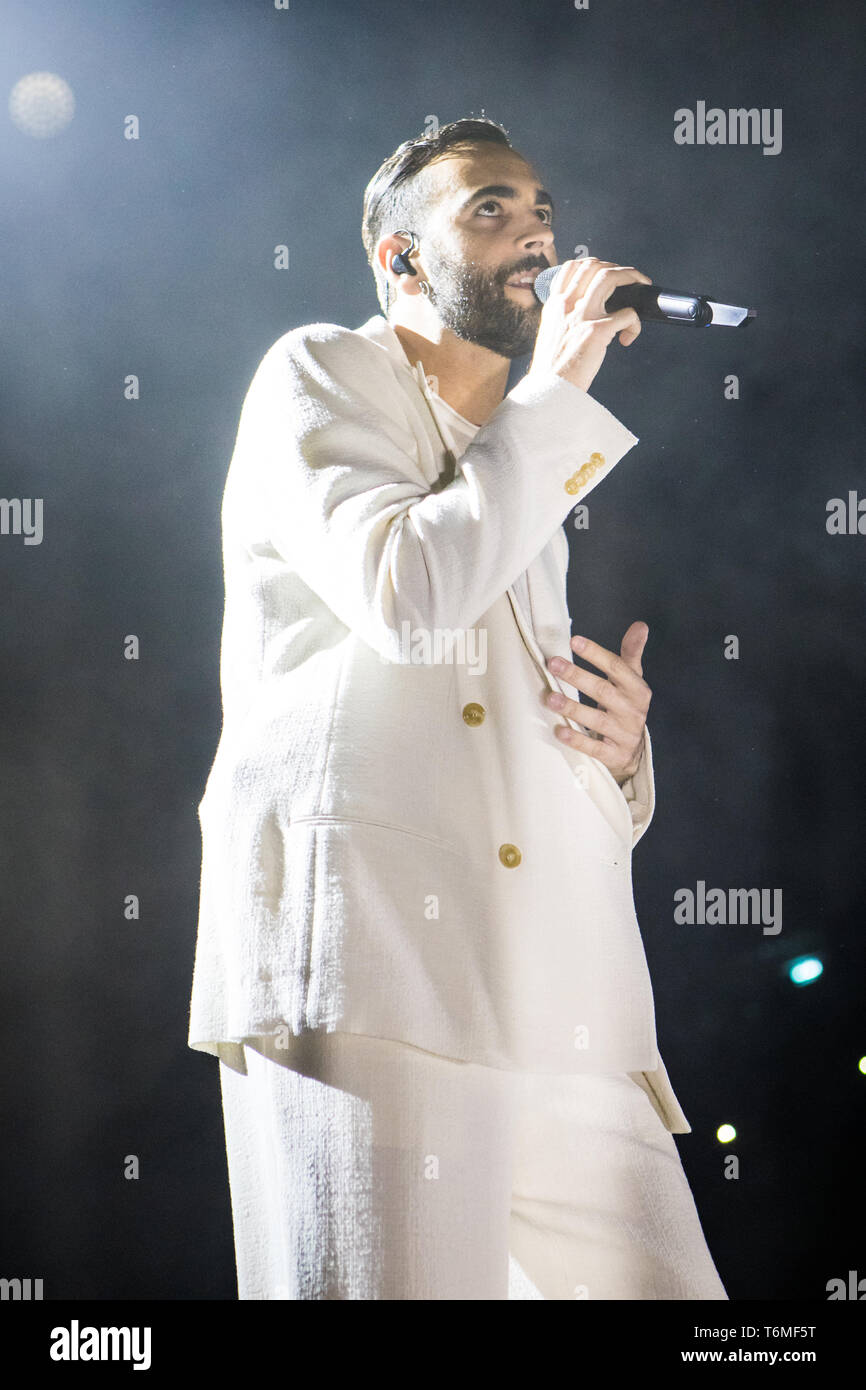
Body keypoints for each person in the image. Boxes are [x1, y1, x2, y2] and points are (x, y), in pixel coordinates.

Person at [187, 116, 728, 1300]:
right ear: (399, 259)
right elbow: (406, 593)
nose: (534, 228)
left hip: (559, 994)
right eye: (488, 208)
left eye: (537, 206)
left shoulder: (514, 448)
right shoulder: (318, 371)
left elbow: (500, 714)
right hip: (368, 970)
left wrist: (617, 757)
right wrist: (560, 384)